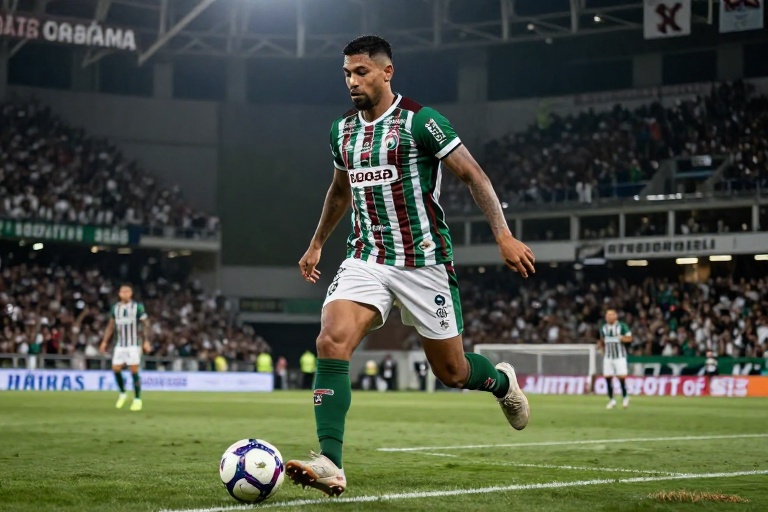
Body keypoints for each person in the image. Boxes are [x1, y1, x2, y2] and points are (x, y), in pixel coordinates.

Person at [285, 35, 535, 497]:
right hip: (367, 257)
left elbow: (473, 174)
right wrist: (317, 243)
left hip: (424, 263)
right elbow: (340, 191)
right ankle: (331, 463)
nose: (352, 81)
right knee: (330, 340)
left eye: (361, 72)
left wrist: (502, 234)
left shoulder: (422, 122)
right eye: (347, 74)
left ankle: (502, 383)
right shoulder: (342, 131)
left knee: (452, 372)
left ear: (387, 72)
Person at [99, 284, 150, 412]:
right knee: (116, 368)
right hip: (120, 344)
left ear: (131, 293)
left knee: (134, 370)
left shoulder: (137, 307)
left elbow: (146, 324)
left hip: (133, 344)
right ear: (119, 294)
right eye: (123, 292)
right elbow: (110, 326)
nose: (125, 294)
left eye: (127, 291)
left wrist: (146, 341)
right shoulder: (115, 308)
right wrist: (104, 341)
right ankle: (123, 393)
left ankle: (137, 399)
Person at [597, 309, 632, 409]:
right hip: (608, 357)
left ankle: (625, 397)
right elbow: (602, 340)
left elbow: (629, 338)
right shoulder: (603, 328)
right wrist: (601, 348)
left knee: (621, 377)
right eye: (607, 315)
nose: (609, 317)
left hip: (620, 357)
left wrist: (621, 338)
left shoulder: (622, 326)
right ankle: (612, 400)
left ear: (616, 316)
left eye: (611, 315)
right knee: (608, 378)